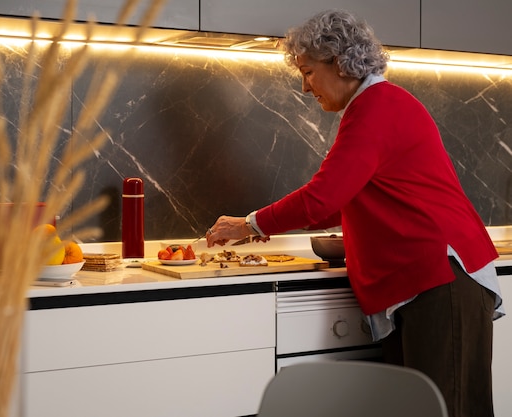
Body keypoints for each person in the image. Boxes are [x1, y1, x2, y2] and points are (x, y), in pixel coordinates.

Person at [205, 9, 504, 417]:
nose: (306, 87)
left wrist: (248, 224)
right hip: (428, 282)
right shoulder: (374, 106)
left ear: (339, 60)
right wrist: (261, 228)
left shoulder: (377, 107)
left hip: (440, 278)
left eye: (308, 72)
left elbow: (323, 199)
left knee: (446, 411)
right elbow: (342, 200)